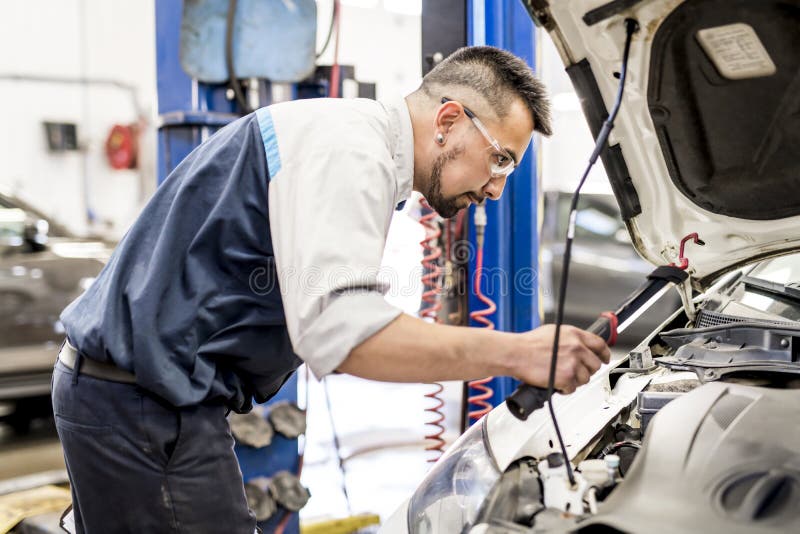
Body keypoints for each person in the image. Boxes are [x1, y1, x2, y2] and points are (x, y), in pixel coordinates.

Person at [51, 45, 610, 533]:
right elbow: (343, 334)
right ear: (448, 120)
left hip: (140, 400)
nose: (494, 187)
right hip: (142, 409)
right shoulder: (350, 149)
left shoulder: (351, 141)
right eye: (500, 159)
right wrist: (520, 352)